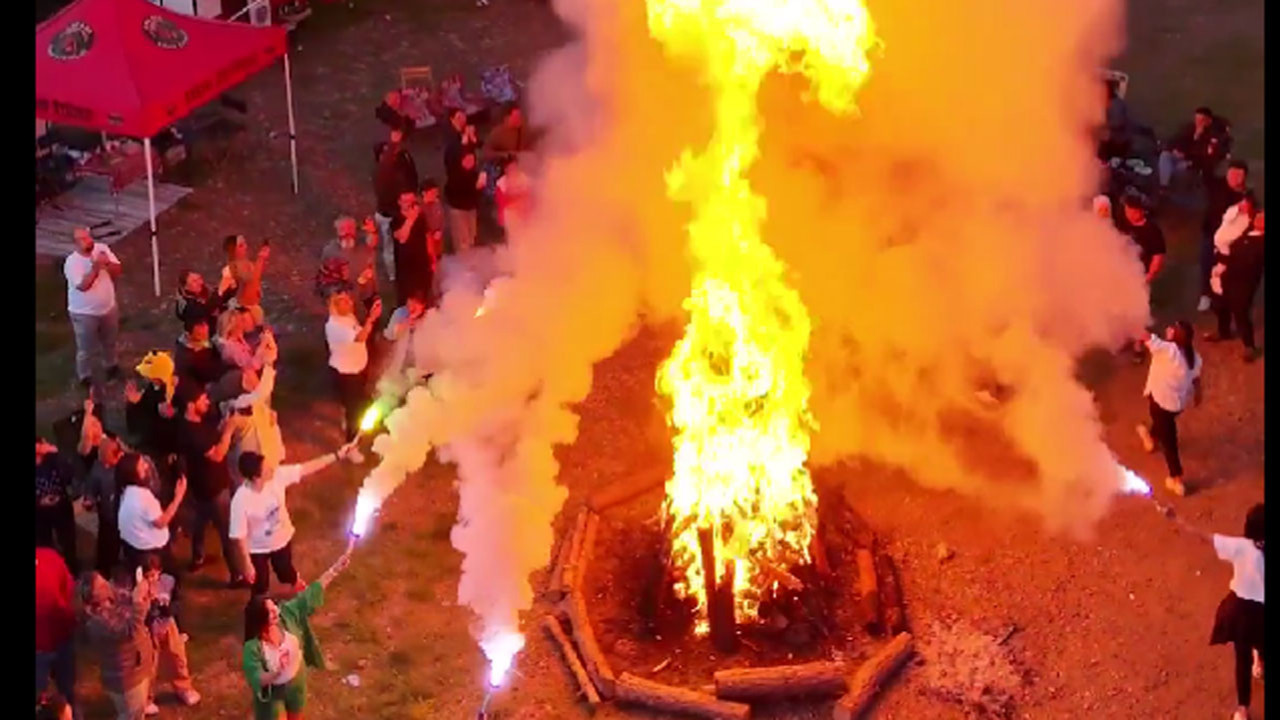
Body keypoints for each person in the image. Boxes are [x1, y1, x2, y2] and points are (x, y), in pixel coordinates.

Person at [1164, 503, 1264, 720]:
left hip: (1242, 611)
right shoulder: (1244, 547)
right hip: (1257, 613)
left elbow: (1204, 537)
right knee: (1258, 645)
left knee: (1242, 659)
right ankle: (1259, 665)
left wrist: (1177, 519)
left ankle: (1242, 709)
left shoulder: (1241, 547)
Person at [241, 547, 353, 720]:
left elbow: (309, 595)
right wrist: (276, 673)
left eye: (274, 607)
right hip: (273, 694)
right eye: (271, 612)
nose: (276, 612)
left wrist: (335, 569)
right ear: (259, 620)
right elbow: (257, 677)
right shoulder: (252, 648)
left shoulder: (286, 614)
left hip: (296, 682)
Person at [231, 446, 355, 596]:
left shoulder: (277, 476)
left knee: (285, 571)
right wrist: (246, 563)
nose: (272, 468)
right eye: (266, 468)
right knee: (260, 583)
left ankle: (295, 583)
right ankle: (261, 607)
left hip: (281, 540)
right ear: (256, 477)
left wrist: (337, 455)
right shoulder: (241, 500)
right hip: (257, 548)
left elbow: (306, 468)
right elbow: (239, 536)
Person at [176, 386, 246, 584]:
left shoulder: (192, 423)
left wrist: (224, 425)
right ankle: (237, 575)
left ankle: (198, 557)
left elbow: (211, 438)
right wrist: (230, 430)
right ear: (191, 405)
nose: (207, 401)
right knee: (227, 533)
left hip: (199, 488)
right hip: (214, 489)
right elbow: (217, 454)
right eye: (202, 398)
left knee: (199, 523)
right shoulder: (193, 433)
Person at [1135, 321, 1203, 497]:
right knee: (1162, 424)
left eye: (1172, 327)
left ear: (1176, 334)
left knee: (1170, 442)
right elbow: (1196, 378)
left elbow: (1146, 336)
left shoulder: (1167, 350)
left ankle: (1176, 478)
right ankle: (1151, 438)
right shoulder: (1193, 356)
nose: (1168, 328)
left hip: (1160, 401)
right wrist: (1198, 395)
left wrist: (1131, 321)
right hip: (1176, 405)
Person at [81, 570, 156, 719]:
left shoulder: (112, 598)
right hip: (126, 679)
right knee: (130, 714)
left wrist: (144, 597)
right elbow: (131, 630)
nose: (107, 585)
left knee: (137, 711)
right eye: (102, 585)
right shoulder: (98, 621)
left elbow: (135, 612)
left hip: (136, 668)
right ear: (94, 597)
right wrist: (137, 603)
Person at [64, 226, 123, 394]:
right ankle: (85, 375)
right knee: (86, 348)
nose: (88, 241)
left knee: (110, 341)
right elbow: (83, 286)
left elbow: (118, 270)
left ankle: (111, 366)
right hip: (84, 313)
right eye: (82, 239)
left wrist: (108, 264)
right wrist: (96, 267)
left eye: (88, 237)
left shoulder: (102, 249)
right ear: (75, 243)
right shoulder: (72, 263)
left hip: (108, 308)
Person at [138, 553, 201, 708]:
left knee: (177, 657)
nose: (151, 579)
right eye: (148, 576)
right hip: (149, 629)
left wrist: (169, 609)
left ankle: (184, 688)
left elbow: (178, 601)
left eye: (154, 575)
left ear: (159, 571)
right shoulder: (139, 587)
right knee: (150, 664)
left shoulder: (168, 582)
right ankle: (146, 698)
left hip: (168, 625)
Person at [326, 290, 382, 455]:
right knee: (355, 411)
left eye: (349, 300)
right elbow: (360, 337)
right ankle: (350, 447)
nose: (350, 303)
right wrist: (372, 318)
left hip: (357, 370)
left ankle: (350, 419)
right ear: (335, 305)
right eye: (344, 301)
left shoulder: (348, 317)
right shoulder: (335, 326)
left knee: (359, 404)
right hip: (347, 375)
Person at [1208, 210, 1265, 362]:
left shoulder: (1261, 243)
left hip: (1244, 283)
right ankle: (1223, 331)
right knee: (1220, 306)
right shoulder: (1245, 232)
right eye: (1258, 216)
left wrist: (1225, 262)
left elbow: (1248, 263)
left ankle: (1249, 346)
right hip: (1227, 277)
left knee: (1241, 313)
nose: (1258, 219)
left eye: (1262, 218)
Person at [117, 452, 187, 574]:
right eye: (141, 465)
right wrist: (178, 496)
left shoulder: (125, 491)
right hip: (152, 551)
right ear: (133, 473)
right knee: (168, 578)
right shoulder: (143, 497)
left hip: (133, 548)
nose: (146, 466)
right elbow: (161, 522)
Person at [221, 365, 286, 483]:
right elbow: (261, 393)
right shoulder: (237, 406)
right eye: (251, 376)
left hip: (266, 459)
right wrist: (269, 365)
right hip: (250, 465)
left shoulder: (255, 404)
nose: (256, 379)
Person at [1199, 160, 1250, 312]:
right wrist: (1210, 154)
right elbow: (1205, 172)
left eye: (1238, 175)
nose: (1234, 178)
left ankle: (1224, 298)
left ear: (1244, 178)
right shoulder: (1217, 185)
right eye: (1232, 173)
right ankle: (1206, 295)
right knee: (1206, 265)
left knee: (1225, 271)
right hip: (1210, 235)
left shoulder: (1246, 196)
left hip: (1230, 242)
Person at [373, 123, 419, 281]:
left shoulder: (401, 163)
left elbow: (411, 178)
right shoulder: (382, 173)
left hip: (401, 211)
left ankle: (406, 270)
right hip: (388, 214)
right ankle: (393, 275)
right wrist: (392, 144)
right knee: (389, 247)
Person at [36, 547, 77, 718]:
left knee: (66, 689)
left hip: (61, 639)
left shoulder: (50, 557)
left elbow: (68, 589)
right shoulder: (50, 557)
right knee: (41, 696)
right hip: (43, 647)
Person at [1158, 106, 1231, 190]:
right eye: (1197, 119)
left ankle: (1173, 188)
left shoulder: (1214, 136)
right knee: (1165, 156)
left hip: (1194, 163)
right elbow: (1176, 140)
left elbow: (1208, 155)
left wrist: (1198, 139)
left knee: (1177, 169)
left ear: (1209, 121)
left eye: (1201, 120)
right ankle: (1163, 186)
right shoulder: (1189, 128)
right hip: (1181, 156)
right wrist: (1175, 150)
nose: (1198, 123)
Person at [37, 436, 80, 573]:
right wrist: (40, 501)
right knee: (44, 543)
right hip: (39, 512)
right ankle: (50, 570)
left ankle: (71, 569)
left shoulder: (54, 459)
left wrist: (55, 453)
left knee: (68, 540)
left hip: (61, 505)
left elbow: (70, 474)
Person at [317, 216, 378, 309]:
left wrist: (372, 232)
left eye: (350, 228)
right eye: (342, 229)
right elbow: (325, 276)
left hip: (367, 294)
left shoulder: (363, 242)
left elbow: (373, 241)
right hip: (345, 297)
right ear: (337, 231)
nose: (347, 232)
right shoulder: (330, 250)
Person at [390, 189, 435, 305]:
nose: (409, 204)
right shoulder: (395, 219)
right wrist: (411, 219)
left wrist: (432, 258)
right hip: (406, 269)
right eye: (406, 201)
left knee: (424, 298)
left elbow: (427, 236)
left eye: (411, 201)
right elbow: (402, 238)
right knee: (407, 300)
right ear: (399, 202)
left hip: (422, 264)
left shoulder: (421, 217)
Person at [444, 148, 487, 254]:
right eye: (467, 160)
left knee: (471, 237)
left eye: (472, 160)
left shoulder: (474, 174)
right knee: (462, 240)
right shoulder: (455, 174)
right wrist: (475, 187)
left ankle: (470, 261)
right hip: (458, 210)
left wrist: (480, 187)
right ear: (461, 160)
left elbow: (478, 193)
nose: (470, 162)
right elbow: (454, 191)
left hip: (471, 209)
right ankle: (462, 262)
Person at [223, 235, 270, 325]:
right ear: (233, 250)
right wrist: (261, 258)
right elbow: (250, 280)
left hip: (253, 307)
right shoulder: (233, 268)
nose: (246, 247)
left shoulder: (247, 263)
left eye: (244, 243)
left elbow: (255, 280)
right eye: (241, 245)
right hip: (245, 312)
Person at [218, 309, 279, 374]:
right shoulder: (231, 347)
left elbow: (250, 355)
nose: (244, 323)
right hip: (250, 379)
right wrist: (263, 344)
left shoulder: (238, 339)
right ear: (235, 325)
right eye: (242, 320)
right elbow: (252, 366)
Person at [175, 317, 226, 389]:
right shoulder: (186, 355)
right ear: (189, 334)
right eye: (200, 332)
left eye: (205, 328)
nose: (204, 332)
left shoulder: (211, 344)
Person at [494, 155, 531, 232]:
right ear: (505, 169)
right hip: (509, 214)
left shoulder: (524, 179)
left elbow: (528, 198)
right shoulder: (501, 183)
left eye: (514, 167)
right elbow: (500, 201)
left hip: (522, 215)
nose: (512, 169)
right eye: (510, 167)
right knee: (512, 238)